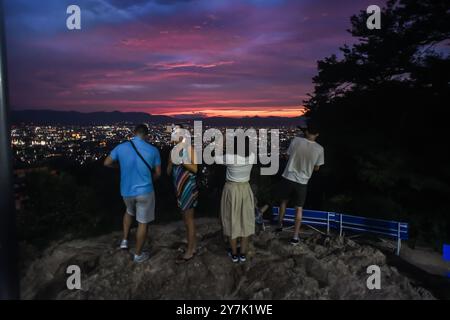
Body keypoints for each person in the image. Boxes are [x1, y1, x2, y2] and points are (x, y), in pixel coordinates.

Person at [104, 124, 161, 263]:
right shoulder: (153, 150)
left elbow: (106, 163)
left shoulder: (121, 147)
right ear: (147, 135)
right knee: (143, 222)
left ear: (134, 133)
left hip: (126, 190)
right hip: (145, 191)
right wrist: (149, 180)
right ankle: (138, 254)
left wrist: (118, 167)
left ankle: (124, 240)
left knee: (129, 211)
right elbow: (158, 173)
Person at [276, 124, 324, 245]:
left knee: (283, 202)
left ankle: (279, 225)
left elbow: (287, 155)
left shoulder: (296, 140)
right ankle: (295, 237)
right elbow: (317, 168)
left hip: (288, 176)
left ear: (306, 132)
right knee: (299, 209)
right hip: (303, 181)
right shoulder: (320, 149)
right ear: (317, 134)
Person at [219, 137, 255, 263]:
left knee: (231, 220)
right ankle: (243, 253)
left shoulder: (229, 158)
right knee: (245, 220)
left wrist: (221, 144)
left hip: (231, 190)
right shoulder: (251, 156)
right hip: (245, 189)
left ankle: (234, 253)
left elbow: (216, 158)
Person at [167, 125, 199, 263]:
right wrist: (170, 162)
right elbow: (168, 172)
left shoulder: (189, 149)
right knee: (185, 220)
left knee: (189, 220)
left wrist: (180, 160)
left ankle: (190, 251)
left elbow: (195, 168)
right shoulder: (172, 151)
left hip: (188, 188)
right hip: (179, 188)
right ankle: (192, 246)